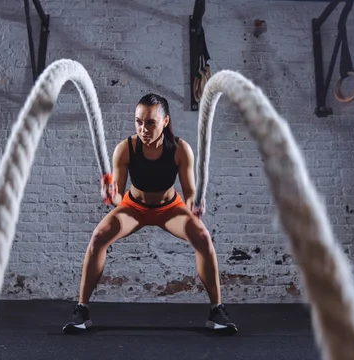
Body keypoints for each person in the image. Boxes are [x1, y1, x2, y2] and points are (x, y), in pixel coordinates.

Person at [62, 93, 237, 334]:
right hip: (134, 208)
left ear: (165, 122)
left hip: (170, 209)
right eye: (139, 122)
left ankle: (217, 310)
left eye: (151, 122)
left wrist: (194, 204)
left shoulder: (180, 149)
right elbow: (118, 198)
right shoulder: (125, 148)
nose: (144, 129)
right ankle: (82, 309)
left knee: (203, 238)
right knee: (98, 236)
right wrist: (109, 192)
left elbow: (189, 192)